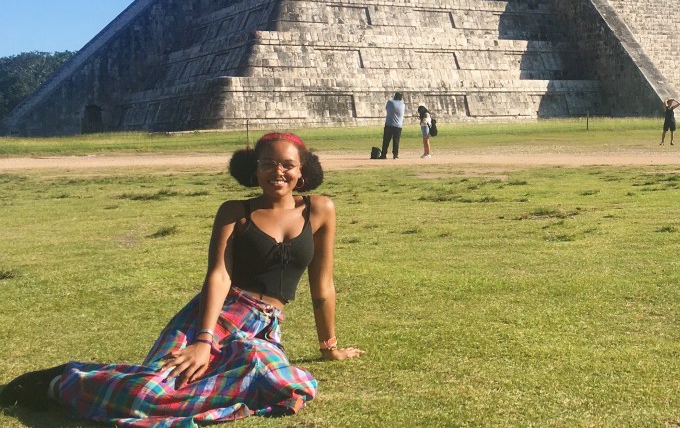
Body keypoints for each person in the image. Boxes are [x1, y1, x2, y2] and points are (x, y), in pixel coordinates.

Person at [0, 132, 363, 422]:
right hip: (215, 316)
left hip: (264, 328)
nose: (278, 172)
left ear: (303, 172)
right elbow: (218, 276)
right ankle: (64, 381)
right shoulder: (235, 212)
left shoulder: (320, 208)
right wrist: (203, 340)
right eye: (268, 164)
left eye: (288, 165)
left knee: (280, 379)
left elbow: (323, 285)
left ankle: (82, 380)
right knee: (154, 390)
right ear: (253, 170)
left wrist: (328, 347)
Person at [380, 91, 405, 159]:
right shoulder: (403, 104)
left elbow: (387, 108)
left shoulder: (390, 102)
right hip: (398, 125)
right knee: (396, 140)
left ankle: (383, 154)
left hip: (389, 124)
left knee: (386, 140)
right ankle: (395, 155)